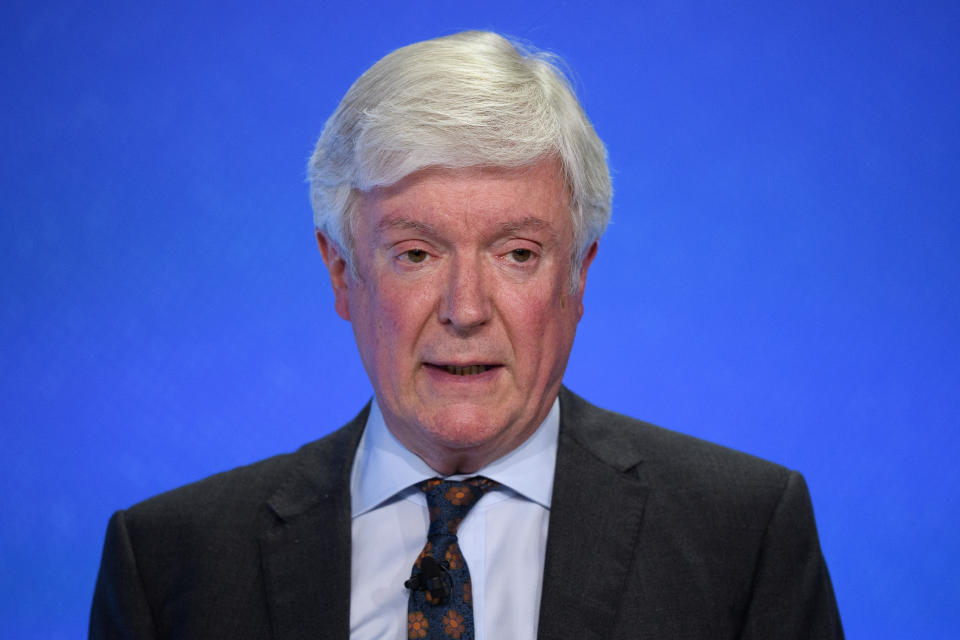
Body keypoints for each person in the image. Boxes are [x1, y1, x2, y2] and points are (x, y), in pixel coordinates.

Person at [90, 30, 843, 639]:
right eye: (416, 253)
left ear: (577, 276)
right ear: (341, 274)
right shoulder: (169, 563)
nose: (465, 308)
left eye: (517, 253)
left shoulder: (743, 535)